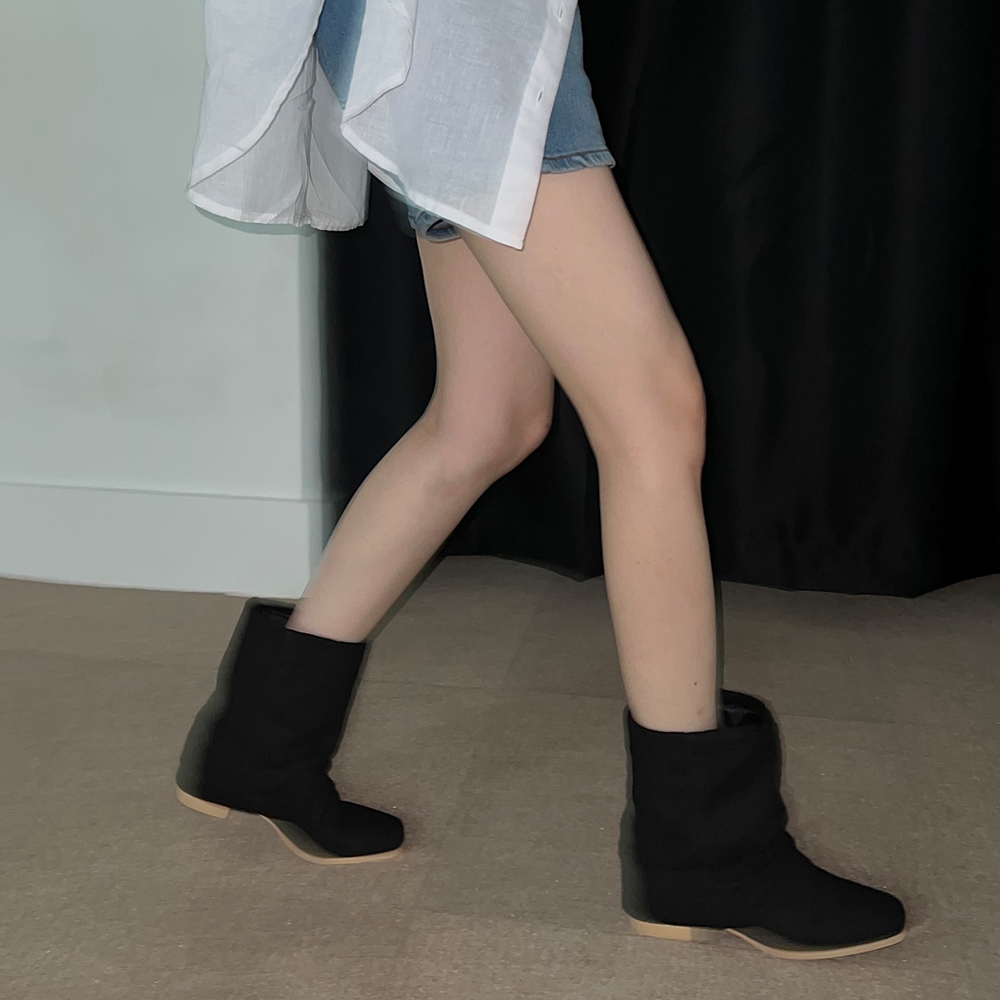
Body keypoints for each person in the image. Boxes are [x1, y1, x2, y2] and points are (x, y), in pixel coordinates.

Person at [175, 0, 906, 961]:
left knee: (485, 420)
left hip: (443, 35)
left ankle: (256, 749)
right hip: (458, 29)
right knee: (654, 417)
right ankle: (706, 853)